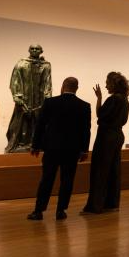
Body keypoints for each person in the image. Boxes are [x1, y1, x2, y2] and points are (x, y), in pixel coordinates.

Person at [26, 77, 91, 221]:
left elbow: (40, 125)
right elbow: (86, 130)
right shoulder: (84, 106)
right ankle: (61, 211)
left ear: (63, 86)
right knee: (67, 180)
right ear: (77, 88)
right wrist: (84, 150)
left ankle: (38, 211)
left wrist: (35, 145)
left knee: (47, 179)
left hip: (52, 148)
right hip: (72, 150)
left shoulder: (50, 102)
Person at [82, 72, 129, 215]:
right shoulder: (125, 99)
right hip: (117, 135)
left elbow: (100, 114)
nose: (106, 86)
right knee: (114, 169)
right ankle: (111, 203)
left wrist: (99, 98)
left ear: (114, 84)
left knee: (100, 170)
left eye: (108, 83)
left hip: (106, 137)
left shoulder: (113, 99)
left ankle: (95, 206)